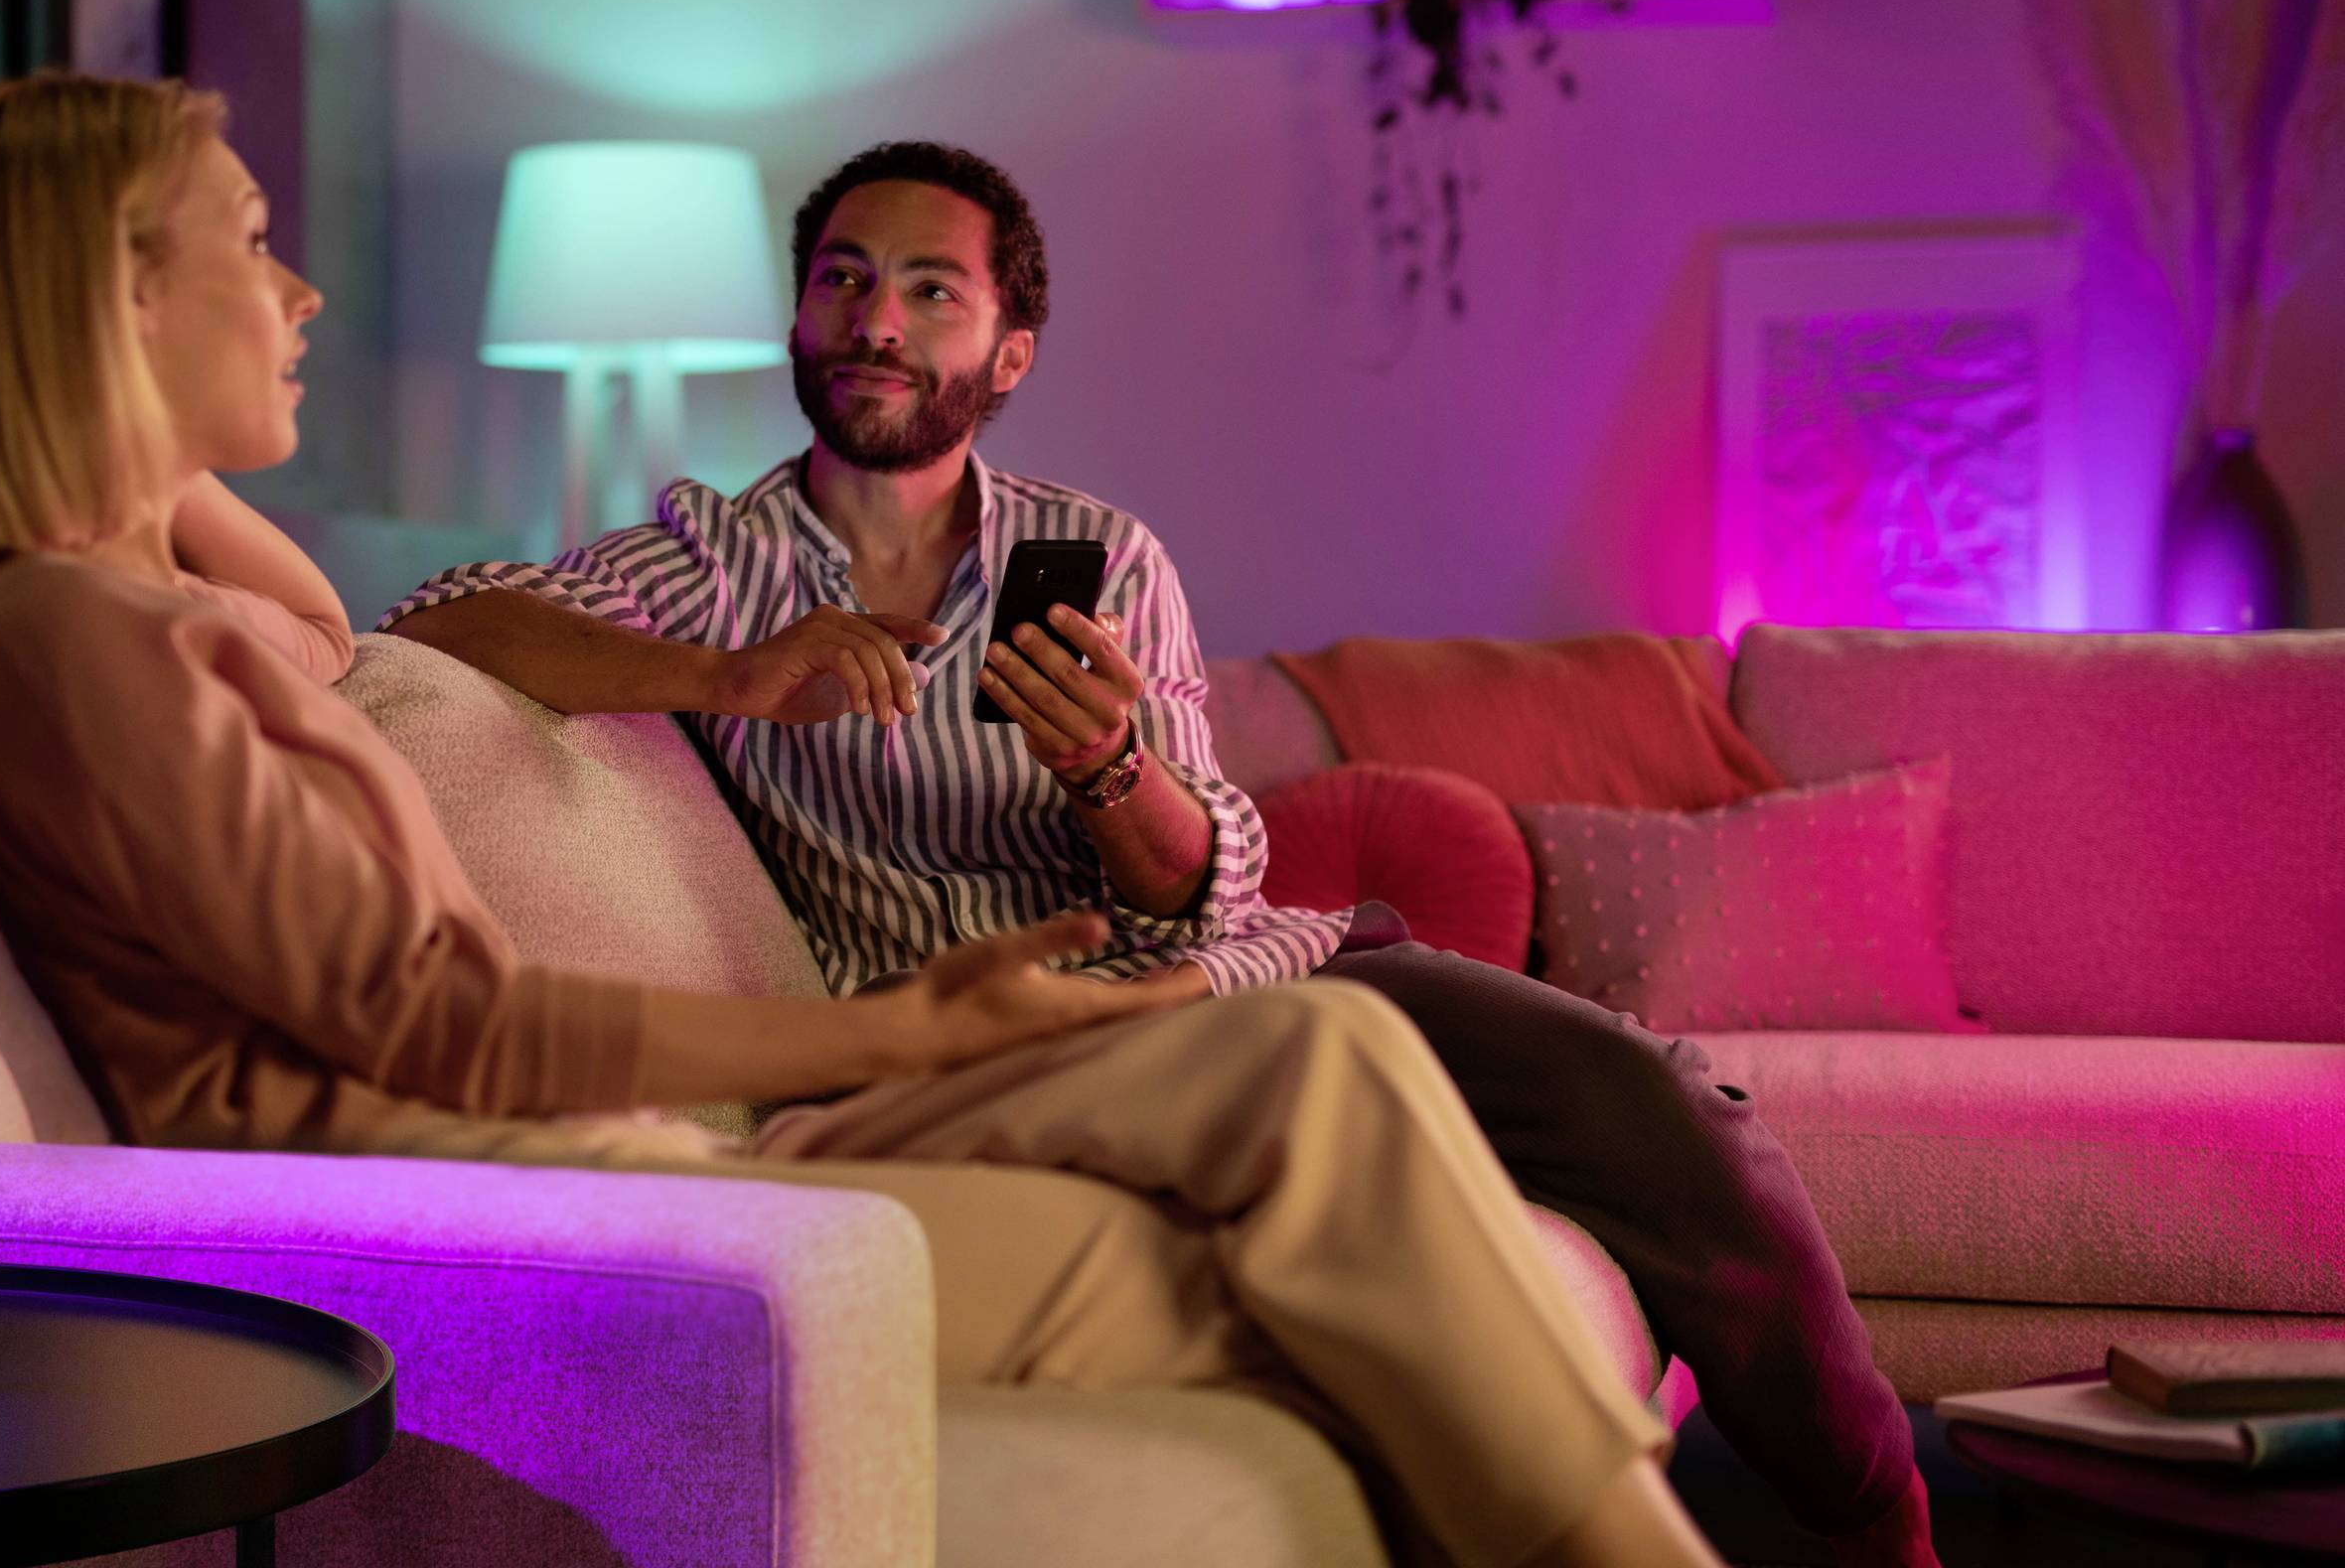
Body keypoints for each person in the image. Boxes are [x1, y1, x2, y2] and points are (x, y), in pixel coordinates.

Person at [0, 72, 1723, 1568]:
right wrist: (892, 1009)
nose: (305, 296)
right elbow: (447, 1004)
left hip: (634, 1148)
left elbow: (330, 625)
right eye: (252, 243)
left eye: (932, 289)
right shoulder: (68, 647)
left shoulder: (154, 619)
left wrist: (138, 446)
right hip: (522, 1211)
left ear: (1011, 346)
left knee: (1343, 1076)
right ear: (115, 300)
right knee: (1317, 1270)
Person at [382, 141, 1940, 1568]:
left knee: (1666, 1108)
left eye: (931, 290)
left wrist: (1109, 769)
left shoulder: (1102, 555)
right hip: (1023, 1042)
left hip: (1253, 974)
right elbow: (440, 626)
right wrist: (722, 677)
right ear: (798, 316)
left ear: (1008, 353)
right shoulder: (708, 565)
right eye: (844, 278)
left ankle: (1882, 1531)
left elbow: (1206, 887)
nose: (875, 321)